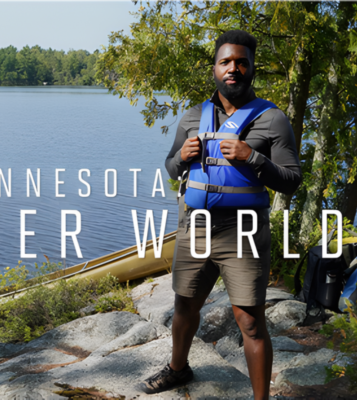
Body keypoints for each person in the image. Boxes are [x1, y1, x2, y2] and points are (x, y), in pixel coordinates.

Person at [138, 30, 302, 399]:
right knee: (185, 305)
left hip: (243, 232)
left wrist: (252, 157)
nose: (233, 69)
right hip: (195, 225)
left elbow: (291, 181)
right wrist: (182, 158)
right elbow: (171, 167)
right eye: (225, 62)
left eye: (241, 62)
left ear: (251, 68)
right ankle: (178, 370)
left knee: (250, 321)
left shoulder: (272, 119)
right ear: (214, 68)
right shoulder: (194, 116)